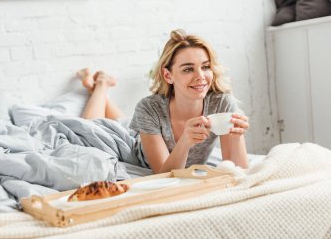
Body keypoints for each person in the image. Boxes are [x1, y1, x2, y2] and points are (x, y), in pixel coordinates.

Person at [78, 29, 249, 174]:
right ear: (168, 75)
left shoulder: (221, 104)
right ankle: (101, 84)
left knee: (123, 121)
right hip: (132, 145)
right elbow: (164, 174)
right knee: (90, 126)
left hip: (145, 128)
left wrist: (236, 137)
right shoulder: (148, 107)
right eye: (188, 69)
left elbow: (237, 170)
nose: (200, 76)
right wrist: (185, 141)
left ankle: (99, 89)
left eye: (205, 66)